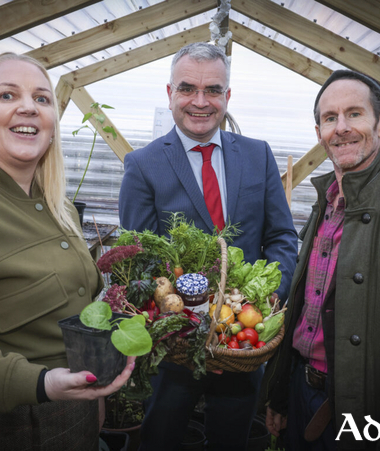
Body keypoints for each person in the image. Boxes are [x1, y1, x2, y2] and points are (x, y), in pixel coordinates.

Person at [0, 52, 135, 451]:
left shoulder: (60, 207)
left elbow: (77, 310)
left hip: (74, 411)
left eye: (42, 99)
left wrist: (95, 395)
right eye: (7, 95)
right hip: (8, 426)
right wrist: (40, 383)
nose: (28, 107)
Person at [118, 42, 298, 450]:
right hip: (174, 346)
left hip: (242, 343)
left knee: (231, 439)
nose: (200, 102)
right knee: (161, 438)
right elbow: (140, 261)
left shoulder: (258, 155)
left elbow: (282, 237)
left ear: (227, 96)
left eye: (213, 90)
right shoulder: (144, 165)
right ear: (169, 94)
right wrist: (191, 329)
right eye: (188, 89)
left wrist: (265, 301)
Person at [261, 70, 380, 450]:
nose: (341, 128)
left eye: (354, 114)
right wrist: (281, 396)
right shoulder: (328, 201)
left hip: (362, 412)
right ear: (319, 132)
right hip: (303, 393)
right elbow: (302, 310)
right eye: (330, 118)